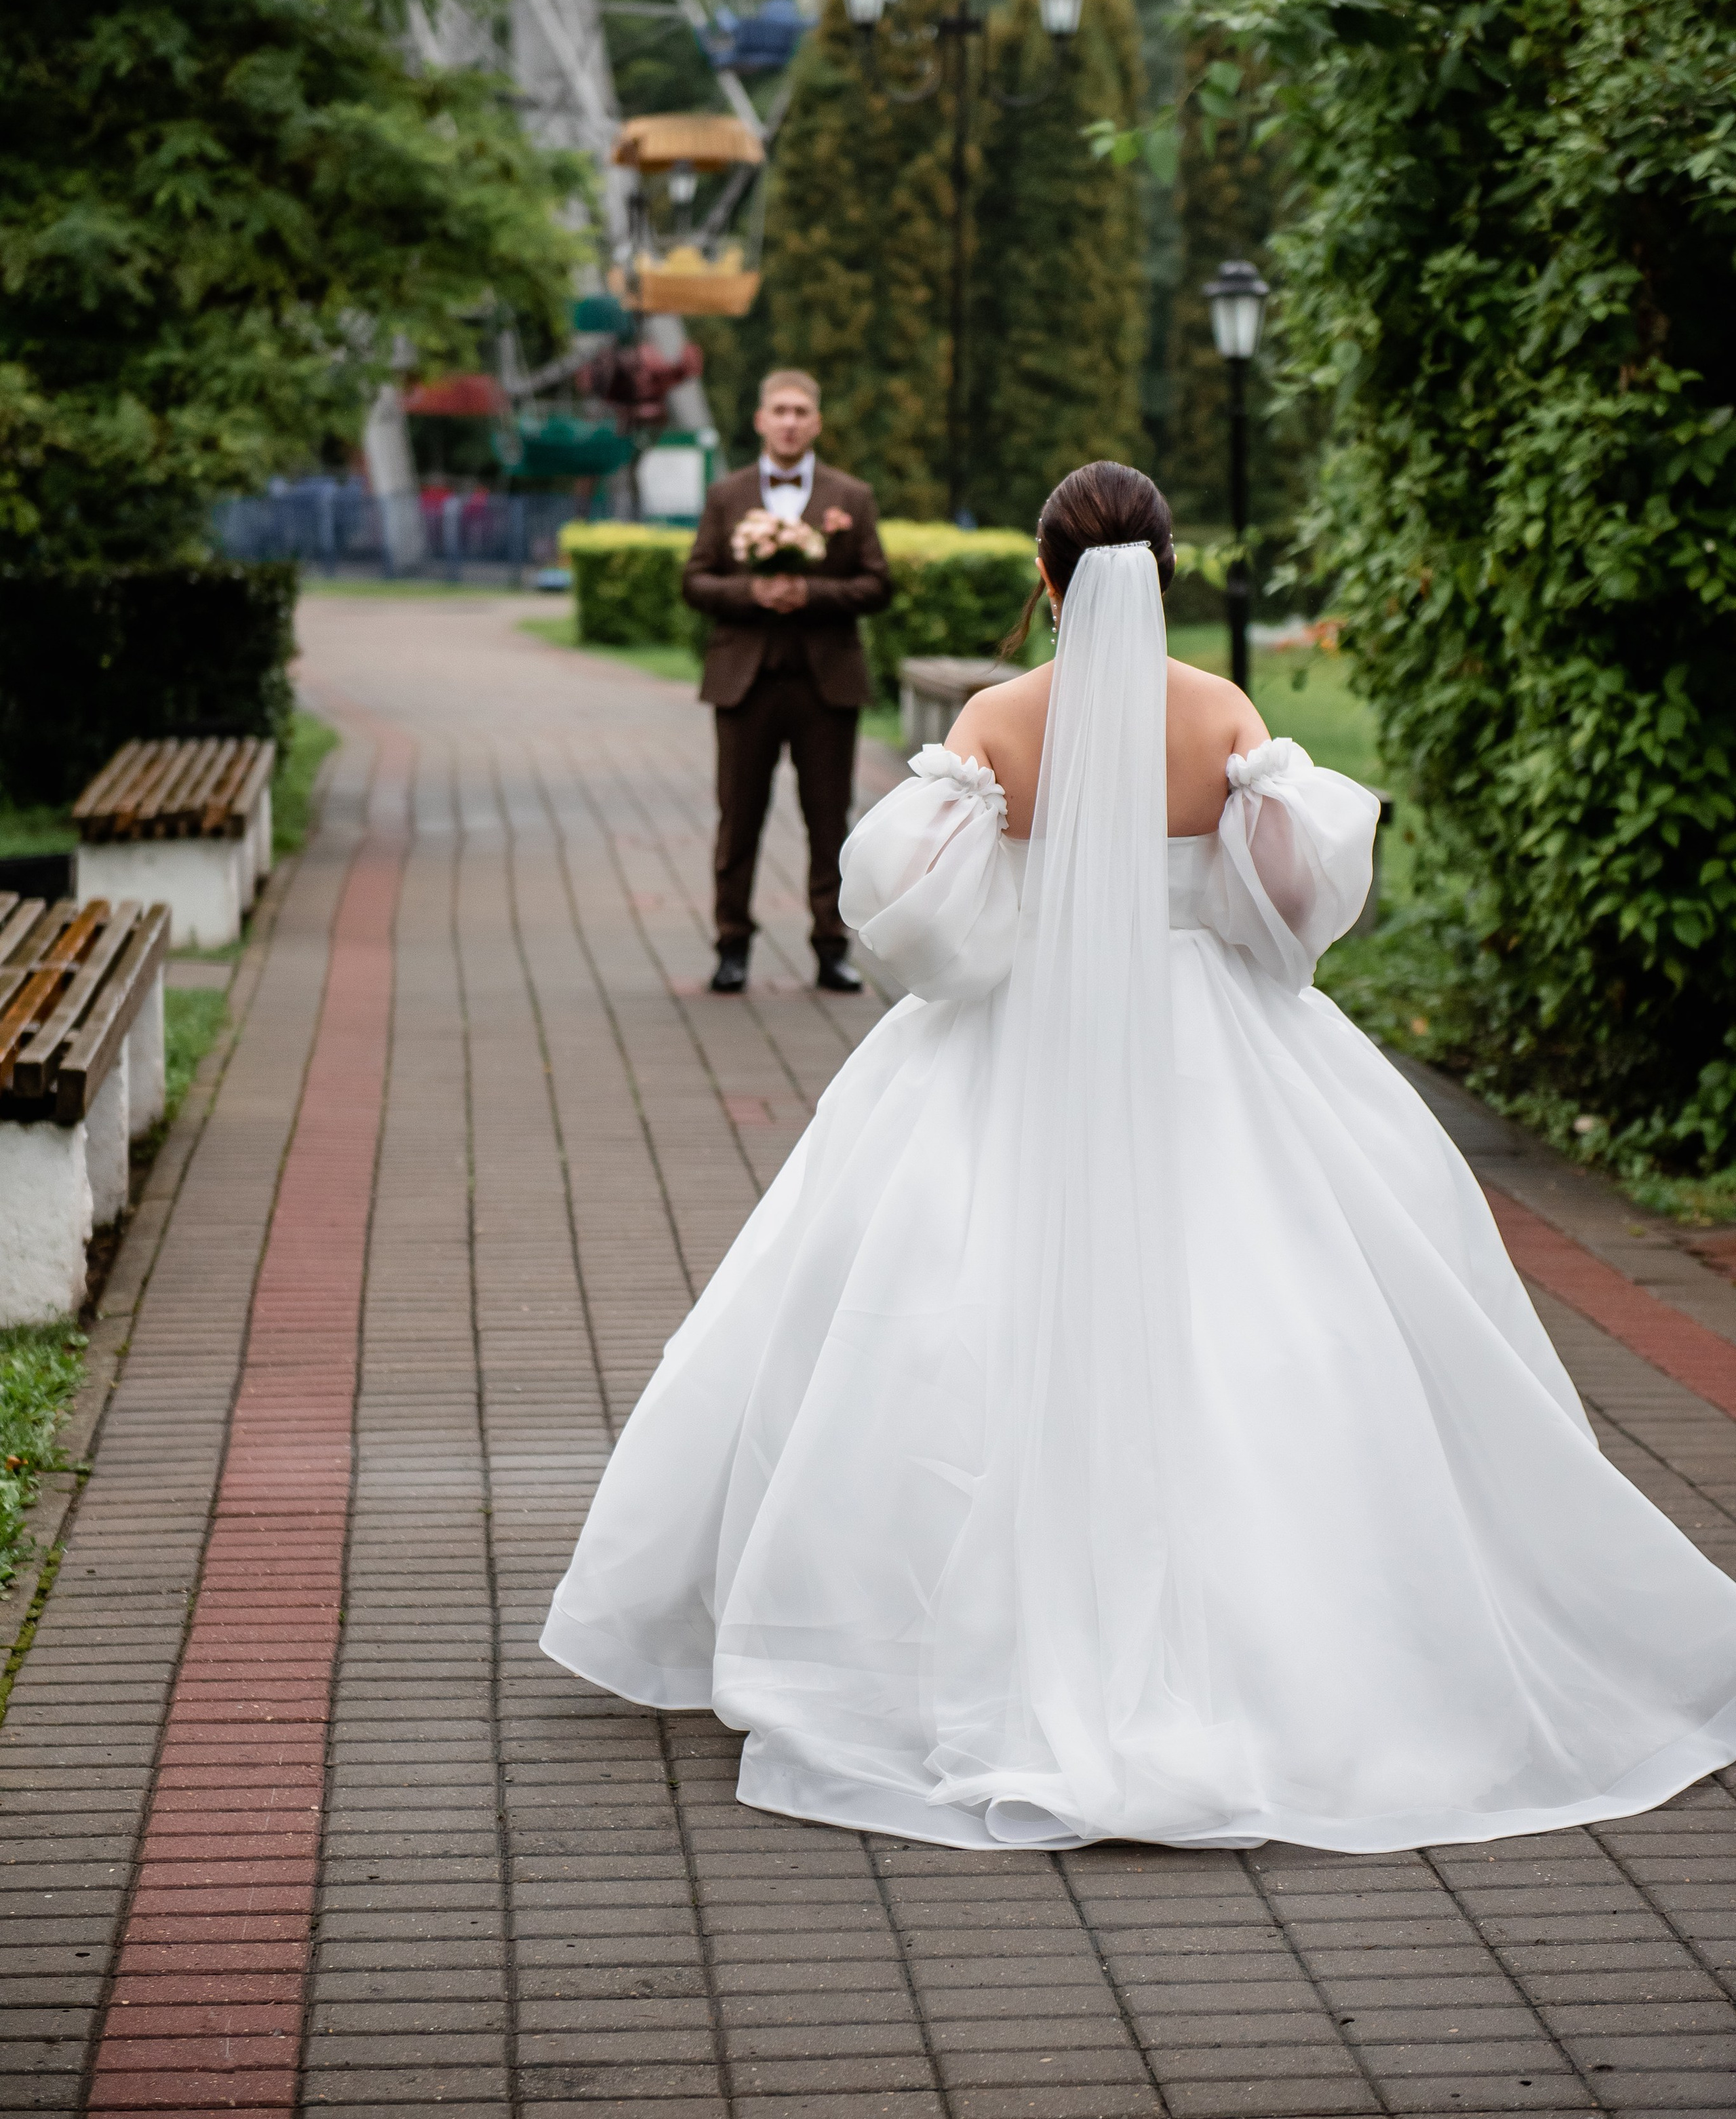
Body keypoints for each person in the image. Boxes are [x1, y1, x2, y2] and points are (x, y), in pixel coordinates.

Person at [545, 460, 1736, 1852]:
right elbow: (1288, 908)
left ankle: (892, 1633)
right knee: (1284, 1316)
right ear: (1162, 576)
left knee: (902, 1303)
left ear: (1043, 582)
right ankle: (1303, 1635)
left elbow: (916, 931)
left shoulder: (995, 718)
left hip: (1010, 1042)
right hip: (1214, 1045)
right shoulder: (1219, 712)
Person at [681, 368, 892, 994]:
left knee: (829, 820)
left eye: (802, 411)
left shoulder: (850, 497)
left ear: (817, 422)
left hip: (826, 685)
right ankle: (732, 945)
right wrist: (754, 591)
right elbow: (695, 580)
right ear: (760, 420)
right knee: (737, 818)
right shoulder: (727, 495)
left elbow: (877, 584)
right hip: (744, 685)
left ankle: (832, 947)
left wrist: (810, 591)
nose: (791, 421)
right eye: (780, 410)